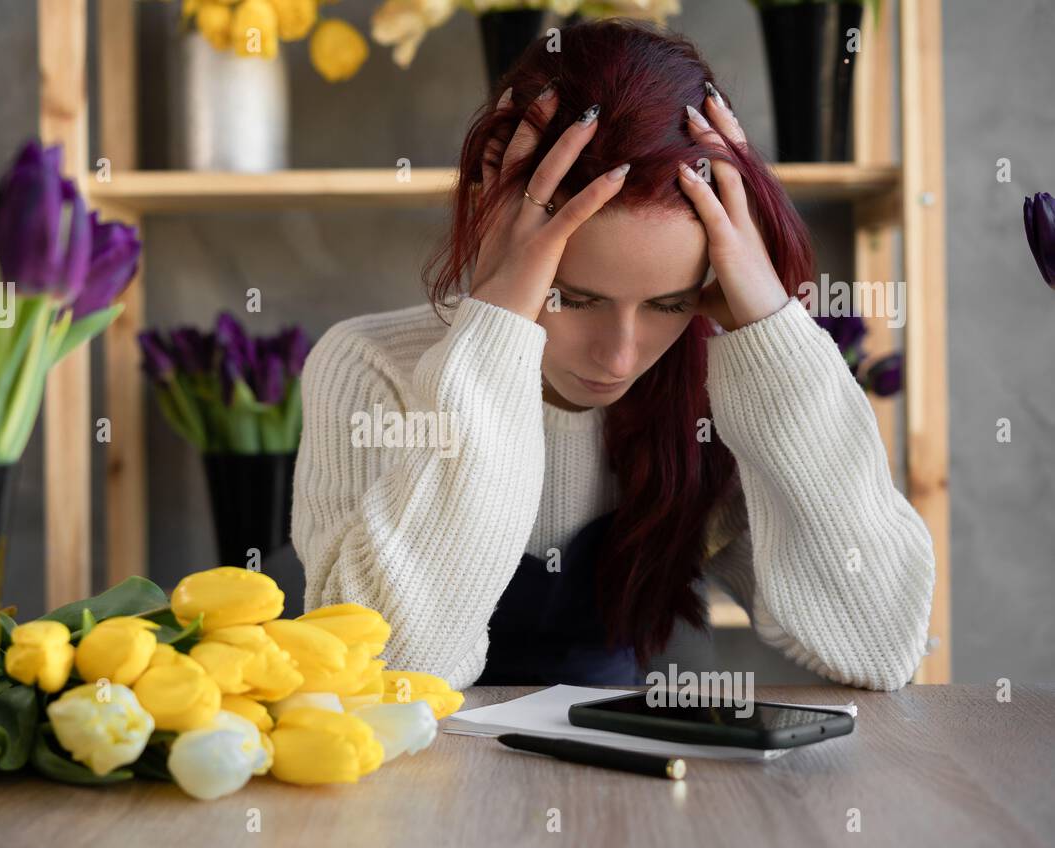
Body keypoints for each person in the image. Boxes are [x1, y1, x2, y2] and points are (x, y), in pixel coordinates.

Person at [291, 19, 935, 691]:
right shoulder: (368, 367)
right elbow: (386, 679)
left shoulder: (721, 394)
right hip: (430, 793)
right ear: (494, 224)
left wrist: (775, 333)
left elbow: (880, 646)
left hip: (642, 789)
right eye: (572, 297)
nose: (621, 358)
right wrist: (493, 336)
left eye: (668, 304)